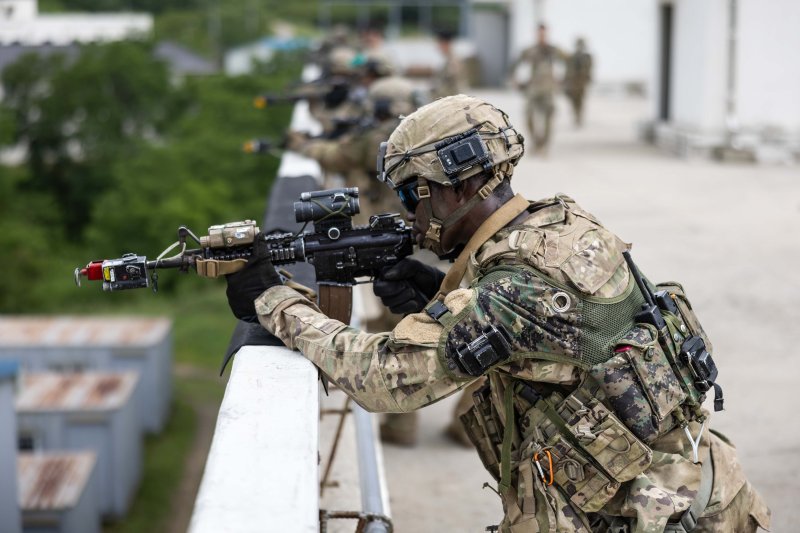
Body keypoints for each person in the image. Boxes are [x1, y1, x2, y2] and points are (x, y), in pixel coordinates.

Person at [224, 95, 771, 532]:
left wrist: (273, 299)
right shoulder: (558, 224)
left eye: (412, 194)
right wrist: (445, 291)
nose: (407, 214)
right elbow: (556, 338)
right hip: (694, 491)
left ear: (460, 186)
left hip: (653, 514)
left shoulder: (514, 289)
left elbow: (381, 379)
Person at [510, 23, 566, 155]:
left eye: (544, 34)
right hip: (533, 88)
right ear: (536, 34)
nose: (542, 36)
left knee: (549, 118)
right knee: (528, 116)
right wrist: (515, 80)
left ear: (547, 34)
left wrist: (563, 80)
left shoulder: (553, 50)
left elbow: (568, 62)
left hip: (548, 88)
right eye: (540, 33)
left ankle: (544, 145)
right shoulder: (530, 50)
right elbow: (515, 64)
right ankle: (535, 142)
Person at [563, 37, 593, 128]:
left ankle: (579, 117)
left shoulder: (587, 57)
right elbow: (568, 69)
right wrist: (566, 80)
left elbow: (589, 69)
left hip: (581, 82)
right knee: (573, 101)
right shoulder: (572, 57)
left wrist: (588, 78)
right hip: (573, 82)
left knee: (580, 101)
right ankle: (576, 116)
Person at [431, 30, 468, 99]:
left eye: (439, 43)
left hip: (453, 101)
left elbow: (454, 85)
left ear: (445, 44)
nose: (438, 47)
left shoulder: (453, 61)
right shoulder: (450, 60)